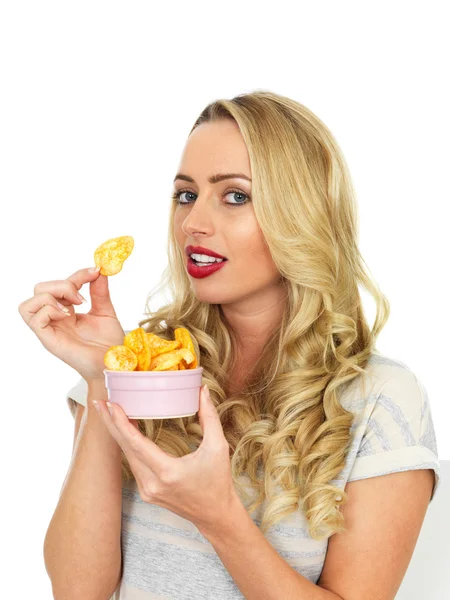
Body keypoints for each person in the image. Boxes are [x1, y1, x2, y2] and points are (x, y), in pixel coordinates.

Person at [19, 90, 441, 600]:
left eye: (235, 196)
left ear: (302, 215)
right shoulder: (145, 365)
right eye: (185, 194)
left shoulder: (381, 399)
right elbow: (77, 589)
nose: (193, 222)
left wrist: (218, 516)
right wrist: (101, 380)